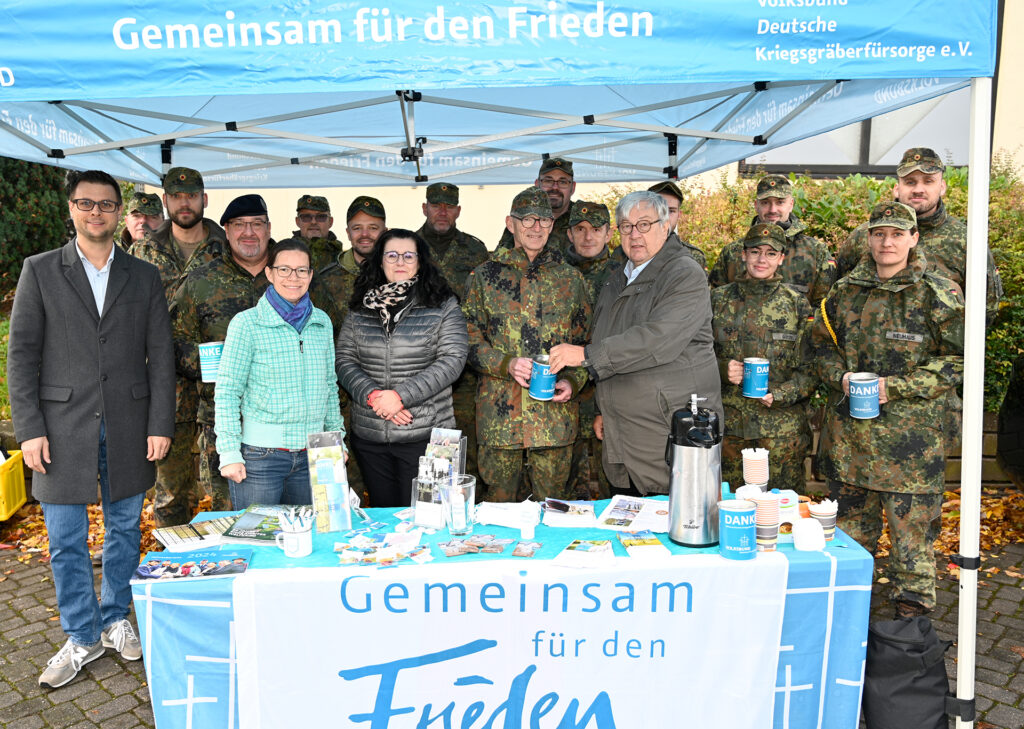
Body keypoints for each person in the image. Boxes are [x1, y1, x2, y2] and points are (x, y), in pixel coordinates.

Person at [7, 169, 175, 689]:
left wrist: (159, 422)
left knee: (126, 530)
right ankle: (81, 635)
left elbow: (161, 357)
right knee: (64, 538)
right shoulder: (39, 270)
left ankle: (115, 617)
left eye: (106, 205)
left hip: (129, 424)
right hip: (59, 428)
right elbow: (21, 356)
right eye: (86, 203)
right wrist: (29, 429)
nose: (96, 213)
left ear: (119, 211)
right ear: (72, 210)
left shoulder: (143, 275)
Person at [812, 201, 964, 618]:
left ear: (914, 238)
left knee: (911, 551)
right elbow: (820, 348)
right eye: (879, 233)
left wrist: (893, 388)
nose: (887, 242)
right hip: (851, 446)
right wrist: (840, 377)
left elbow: (958, 360)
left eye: (898, 233)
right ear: (868, 238)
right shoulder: (844, 291)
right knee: (847, 544)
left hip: (911, 452)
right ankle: (843, 629)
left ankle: (909, 646)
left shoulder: (940, 293)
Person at [550, 190, 721, 494]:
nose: (634, 234)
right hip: (623, 434)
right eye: (626, 227)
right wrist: (605, 408)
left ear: (665, 226)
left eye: (644, 225)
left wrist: (585, 355)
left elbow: (657, 340)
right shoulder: (619, 276)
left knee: (670, 524)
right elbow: (608, 336)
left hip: (667, 432)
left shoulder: (684, 274)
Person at [464, 187, 591, 501]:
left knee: (555, 510)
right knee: (499, 515)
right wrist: (506, 363)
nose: (537, 228)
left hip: (554, 423)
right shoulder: (483, 278)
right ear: (511, 224)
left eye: (545, 221)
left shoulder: (571, 280)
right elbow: (466, 342)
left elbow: (588, 344)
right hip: (501, 423)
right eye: (528, 220)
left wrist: (574, 381)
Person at [335, 229, 468, 507]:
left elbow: (452, 360)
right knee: (385, 521)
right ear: (379, 261)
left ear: (421, 261)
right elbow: (344, 360)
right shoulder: (362, 306)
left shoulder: (443, 304)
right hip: (371, 436)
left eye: (409, 255)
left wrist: (399, 397)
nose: (400, 262)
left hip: (428, 436)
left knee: (431, 519)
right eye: (392, 255)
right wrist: (374, 397)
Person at [131, 167, 227, 527]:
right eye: (176, 196)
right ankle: (173, 562)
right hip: (166, 382)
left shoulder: (227, 246)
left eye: (191, 195)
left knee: (225, 482)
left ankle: (229, 558)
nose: (184, 203)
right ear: (166, 201)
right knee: (170, 489)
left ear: (204, 199)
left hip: (220, 382)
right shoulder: (143, 250)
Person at [214, 238, 342, 508]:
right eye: (284, 269)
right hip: (261, 458)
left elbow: (330, 386)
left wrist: (336, 439)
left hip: (314, 454)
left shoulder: (321, 322)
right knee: (259, 541)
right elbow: (227, 391)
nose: (293, 277)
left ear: (310, 275)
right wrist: (228, 452)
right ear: (269, 273)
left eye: (301, 270)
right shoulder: (247, 324)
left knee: (313, 540)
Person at [171, 194, 273, 512]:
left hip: (286, 422)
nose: (248, 233)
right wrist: (223, 366)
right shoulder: (200, 283)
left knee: (288, 513)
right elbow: (175, 342)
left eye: (256, 224)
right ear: (226, 231)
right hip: (224, 423)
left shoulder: (291, 275)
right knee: (231, 514)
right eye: (239, 225)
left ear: (268, 228)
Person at [834, 146, 1002, 322]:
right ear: (897, 188)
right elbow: (840, 296)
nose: (918, 189)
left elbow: (985, 311)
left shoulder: (967, 241)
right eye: (910, 182)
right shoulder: (864, 236)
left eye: (928, 181)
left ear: (942, 187)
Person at [710, 223, 816, 492]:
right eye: (755, 251)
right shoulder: (717, 300)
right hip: (729, 434)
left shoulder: (796, 305)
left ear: (782, 259)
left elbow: (813, 368)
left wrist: (780, 394)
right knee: (729, 513)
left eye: (771, 253)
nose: (761, 259)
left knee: (782, 518)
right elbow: (691, 356)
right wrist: (721, 370)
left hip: (781, 437)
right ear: (743, 254)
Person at [309, 195, 388, 503]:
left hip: (389, 398)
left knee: (389, 486)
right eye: (357, 227)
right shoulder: (326, 280)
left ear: (385, 230)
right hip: (339, 401)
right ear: (346, 231)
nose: (365, 234)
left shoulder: (402, 274)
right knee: (342, 486)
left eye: (373, 227)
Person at [414, 182, 489, 480]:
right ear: (425, 208)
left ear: (458, 210)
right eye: (436, 205)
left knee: (469, 445)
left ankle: (466, 505)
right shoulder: (409, 247)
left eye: (449, 206)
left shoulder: (475, 249)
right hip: (421, 365)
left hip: (466, 369)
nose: (442, 212)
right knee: (425, 449)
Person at [709, 174, 835, 306]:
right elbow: (714, 306)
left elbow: (824, 311)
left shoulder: (816, 252)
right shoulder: (732, 253)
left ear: (791, 204)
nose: (772, 210)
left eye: (780, 202)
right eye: (765, 202)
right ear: (756, 205)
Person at [563, 200, 617, 498]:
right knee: (563, 489)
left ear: (609, 234)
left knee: (605, 489)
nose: (588, 237)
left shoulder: (623, 276)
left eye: (596, 229)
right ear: (569, 233)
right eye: (580, 229)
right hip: (563, 397)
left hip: (606, 396)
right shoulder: (553, 274)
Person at [497, 157, 575, 253]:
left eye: (563, 182)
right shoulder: (521, 220)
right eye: (548, 181)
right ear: (537, 184)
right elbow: (501, 258)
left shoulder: (582, 220)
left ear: (573, 187)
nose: (555, 187)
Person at [648, 181, 707, 272]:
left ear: (679, 215)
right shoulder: (626, 253)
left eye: (671, 211)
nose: (665, 217)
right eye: (659, 209)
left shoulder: (693, 256)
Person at [292, 194, 343, 272]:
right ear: (297, 221)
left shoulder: (343, 259)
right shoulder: (283, 253)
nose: (313, 222)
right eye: (306, 217)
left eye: (321, 217)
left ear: (330, 222)